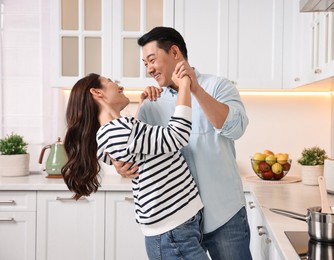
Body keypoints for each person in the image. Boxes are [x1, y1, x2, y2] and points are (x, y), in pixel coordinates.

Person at [113, 26, 251, 259]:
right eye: (145, 64)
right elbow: (134, 150)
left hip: (224, 215)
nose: (149, 69)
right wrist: (121, 166)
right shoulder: (151, 105)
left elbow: (236, 129)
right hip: (177, 222)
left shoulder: (218, 86)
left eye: (152, 60)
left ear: (175, 52)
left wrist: (194, 88)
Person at [61, 69, 209, 259]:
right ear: (97, 92)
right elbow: (177, 136)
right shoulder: (116, 132)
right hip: (173, 231)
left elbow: (138, 144)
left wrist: (142, 103)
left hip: (177, 225)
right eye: (111, 81)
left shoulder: (116, 129)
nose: (119, 85)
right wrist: (184, 85)